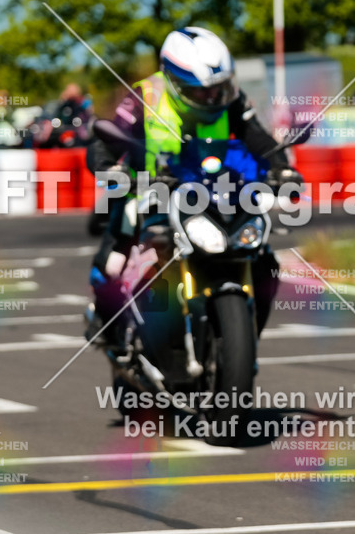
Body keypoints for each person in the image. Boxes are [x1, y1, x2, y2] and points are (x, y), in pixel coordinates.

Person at [84, 27, 302, 345]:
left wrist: (283, 169)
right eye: (200, 91)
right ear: (173, 81)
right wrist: (108, 169)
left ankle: (241, 340)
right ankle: (107, 323)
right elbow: (105, 141)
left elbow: (259, 139)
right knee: (114, 261)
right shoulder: (144, 97)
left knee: (263, 259)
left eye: (218, 88)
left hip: (216, 193)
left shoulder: (230, 99)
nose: (212, 97)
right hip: (149, 193)